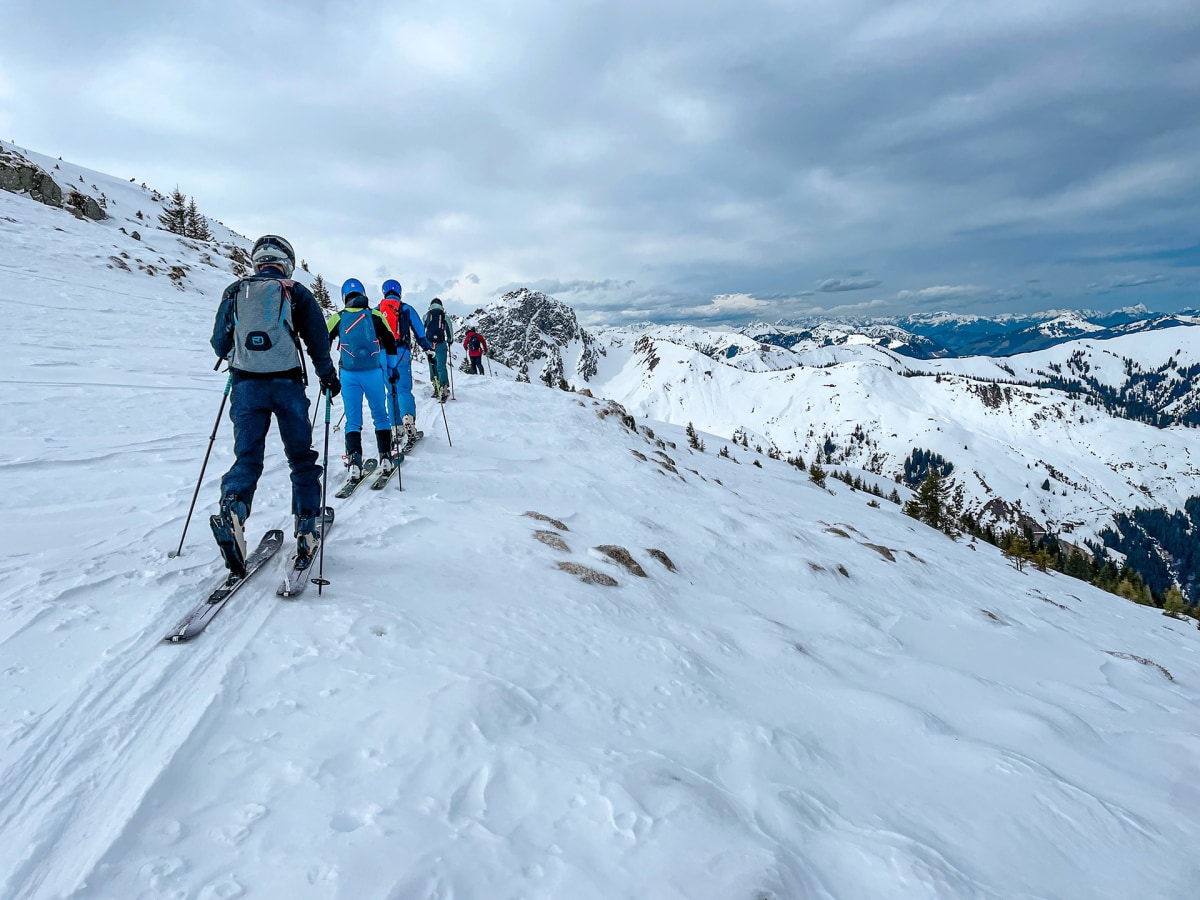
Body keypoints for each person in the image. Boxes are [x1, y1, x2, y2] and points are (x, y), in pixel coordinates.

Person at [209, 234, 340, 573]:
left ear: (257, 261)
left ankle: (234, 510)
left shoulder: (235, 291)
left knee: (248, 456)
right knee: (300, 458)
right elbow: (318, 341)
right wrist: (328, 377)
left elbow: (219, 341)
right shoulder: (295, 292)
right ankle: (307, 527)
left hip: (245, 385)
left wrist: (239, 354)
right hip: (287, 385)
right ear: (286, 262)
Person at [326, 278, 397, 479]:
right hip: (373, 371)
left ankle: (354, 463)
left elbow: (322, 343)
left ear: (344, 297)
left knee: (353, 420)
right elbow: (390, 342)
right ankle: (385, 458)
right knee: (380, 415)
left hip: (348, 374)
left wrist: (326, 373)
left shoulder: (338, 317)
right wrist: (391, 369)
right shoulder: (375, 315)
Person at [378, 280, 435, 451]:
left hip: (382, 355)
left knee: (391, 391)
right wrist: (428, 350)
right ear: (399, 292)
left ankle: (396, 428)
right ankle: (408, 421)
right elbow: (419, 332)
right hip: (401, 354)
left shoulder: (377, 311)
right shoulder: (406, 308)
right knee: (403, 389)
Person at [424, 297, 453, 401]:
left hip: (429, 344)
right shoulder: (444, 316)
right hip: (440, 344)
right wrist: (450, 340)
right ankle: (443, 388)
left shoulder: (427, 315)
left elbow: (422, 328)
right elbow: (449, 329)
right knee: (441, 366)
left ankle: (435, 386)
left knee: (432, 365)